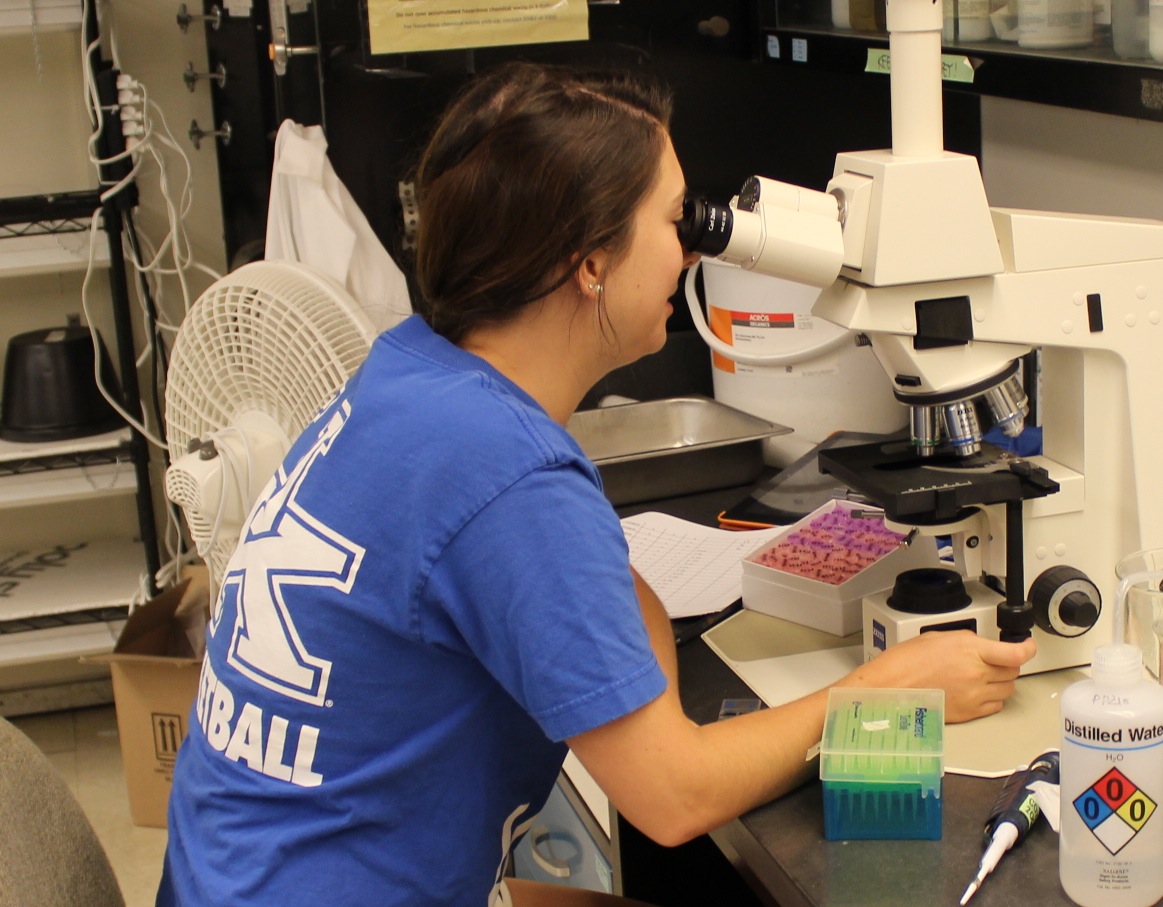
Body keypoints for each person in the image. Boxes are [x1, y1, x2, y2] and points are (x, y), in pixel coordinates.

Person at [157, 61, 1036, 907]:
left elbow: (615, 601)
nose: (691, 253)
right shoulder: (509, 477)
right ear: (589, 262)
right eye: (672, 221)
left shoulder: (407, 374)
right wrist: (893, 686)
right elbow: (673, 796)